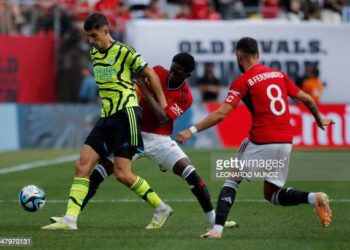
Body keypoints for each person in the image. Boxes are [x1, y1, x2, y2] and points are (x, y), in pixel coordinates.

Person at [51, 53, 237, 229]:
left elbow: (162, 118)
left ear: (187, 75)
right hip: (133, 132)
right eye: (172, 68)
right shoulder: (156, 73)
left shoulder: (185, 97)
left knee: (192, 176)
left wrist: (146, 89)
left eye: (178, 72)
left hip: (159, 139)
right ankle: (71, 217)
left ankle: (214, 220)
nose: (172, 73)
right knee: (98, 174)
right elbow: (135, 85)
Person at [177, 37, 333, 239]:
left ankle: (217, 230)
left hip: (261, 139)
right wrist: (319, 117)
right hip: (285, 141)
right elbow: (306, 98)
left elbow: (221, 113)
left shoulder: (243, 81)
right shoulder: (279, 74)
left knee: (231, 180)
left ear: (238, 57)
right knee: (272, 195)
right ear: (258, 54)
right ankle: (315, 198)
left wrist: (191, 130)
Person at [42, 13, 170, 230]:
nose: (91, 40)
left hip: (127, 114)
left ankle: (160, 207)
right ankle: (70, 220)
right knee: (82, 165)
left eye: (94, 35)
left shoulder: (124, 51)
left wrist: (164, 105)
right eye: (88, 37)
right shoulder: (94, 53)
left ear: (106, 31)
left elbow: (151, 74)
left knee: (123, 174)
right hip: (107, 116)